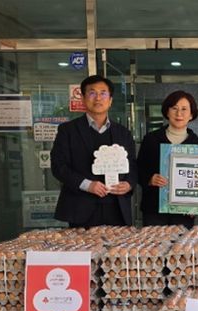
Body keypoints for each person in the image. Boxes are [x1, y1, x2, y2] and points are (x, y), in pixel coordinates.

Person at [50, 75, 137, 227]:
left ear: (110, 100)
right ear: (83, 99)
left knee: (118, 243)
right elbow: (59, 166)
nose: (98, 98)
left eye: (103, 93)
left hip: (117, 207)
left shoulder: (123, 133)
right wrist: (87, 184)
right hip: (80, 206)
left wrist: (129, 184)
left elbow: (133, 166)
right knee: (81, 243)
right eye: (92, 93)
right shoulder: (68, 130)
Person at [137, 91, 198, 228]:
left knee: (182, 242)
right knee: (153, 242)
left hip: (184, 211)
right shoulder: (151, 139)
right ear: (167, 112)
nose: (179, 114)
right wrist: (150, 179)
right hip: (154, 208)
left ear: (191, 114)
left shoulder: (197, 144)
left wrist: (196, 205)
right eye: (174, 108)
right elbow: (138, 169)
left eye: (184, 109)